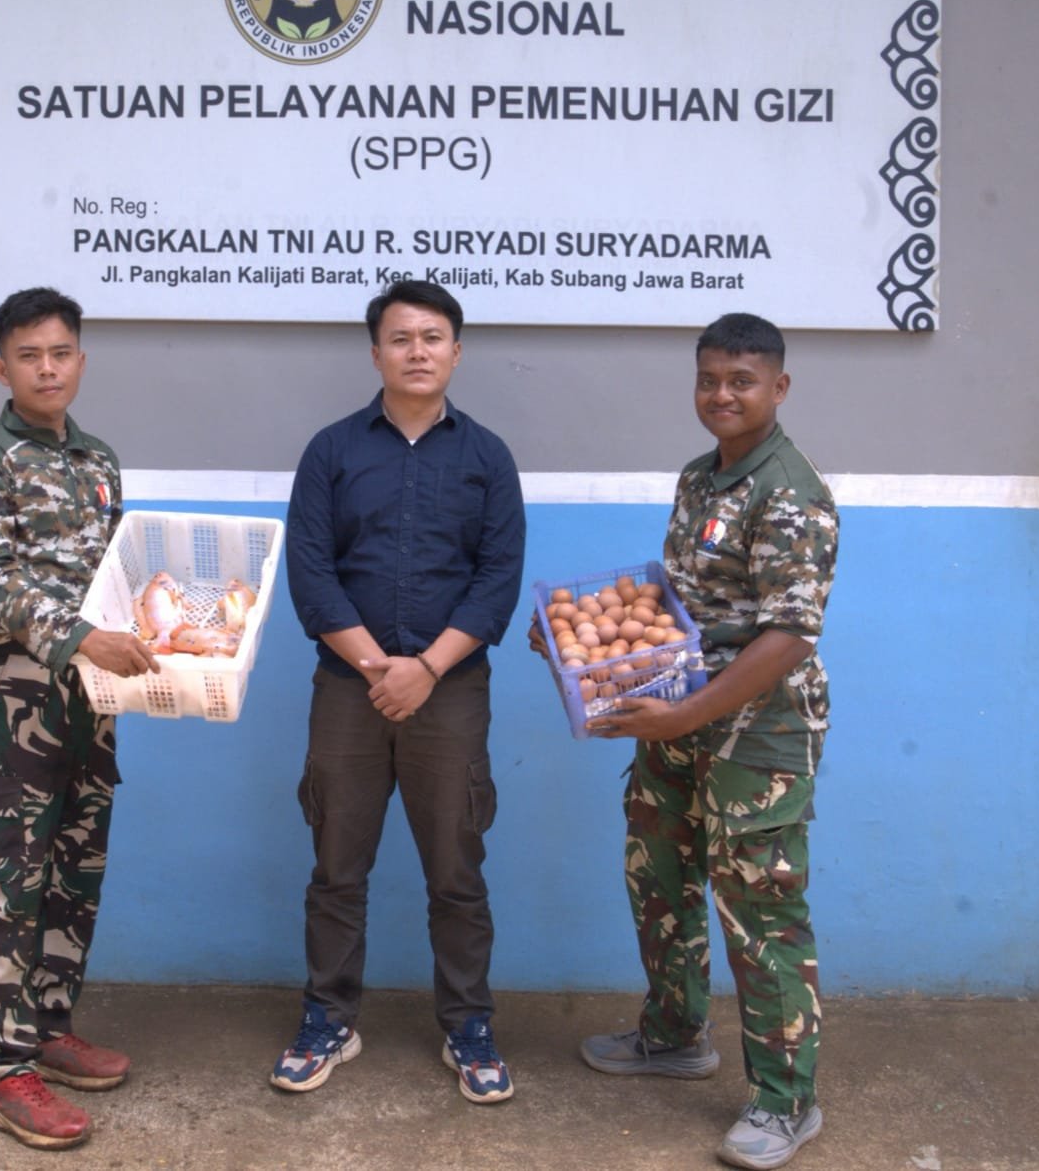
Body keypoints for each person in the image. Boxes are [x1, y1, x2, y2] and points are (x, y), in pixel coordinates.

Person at [568, 313, 838, 1170]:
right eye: (710, 379)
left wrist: (686, 716)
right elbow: (680, 605)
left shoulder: (790, 493)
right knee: (659, 874)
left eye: (742, 381)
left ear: (779, 388)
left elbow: (790, 635)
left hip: (759, 735)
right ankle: (675, 1034)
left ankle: (786, 1102)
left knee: (760, 912)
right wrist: (584, 638)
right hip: (676, 715)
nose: (723, 395)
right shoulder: (700, 478)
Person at [272, 280, 526, 1104]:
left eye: (433, 337)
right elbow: (311, 573)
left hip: (450, 693)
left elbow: (497, 580)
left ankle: (469, 1026)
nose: (419, 351)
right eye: (402, 338)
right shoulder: (332, 451)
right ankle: (328, 1019)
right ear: (376, 352)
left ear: (457, 350)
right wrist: (381, 668)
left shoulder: (487, 458)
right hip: (349, 690)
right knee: (336, 868)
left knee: (456, 871)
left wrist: (427, 669)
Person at [0, 286, 159, 1151]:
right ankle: (2, 1068)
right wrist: (84, 638)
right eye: (29, 356)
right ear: (3, 368)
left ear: (80, 361)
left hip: (91, 698)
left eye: (61, 353)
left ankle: (50, 1027)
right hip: (11, 694)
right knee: (8, 874)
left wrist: (148, 632)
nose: (48, 368)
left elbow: (112, 576)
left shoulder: (98, 460)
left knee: (74, 865)